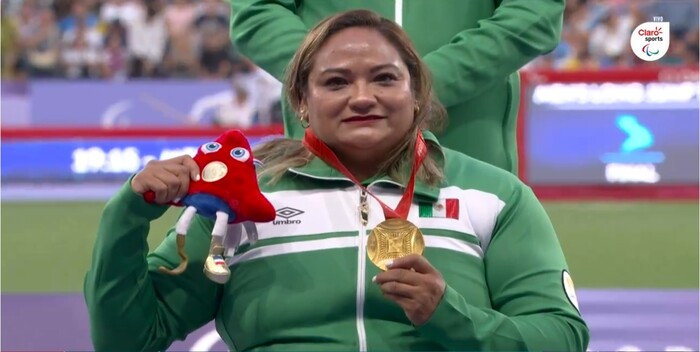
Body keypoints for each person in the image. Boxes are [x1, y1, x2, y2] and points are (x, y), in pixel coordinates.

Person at [84, 9, 589, 351]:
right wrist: (128, 214)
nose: (363, 96)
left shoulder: (493, 195)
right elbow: (128, 338)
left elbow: (562, 336)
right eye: (336, 82)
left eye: (385, 78)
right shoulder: (240, 198)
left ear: (417, 94)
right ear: (300, 101)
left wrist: (452, 316)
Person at [229, 0, 566, 175]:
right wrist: (340, 75)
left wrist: (418, 83)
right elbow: (257, 13)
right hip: (327, 161)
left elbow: (534, 15)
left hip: (464, 158)